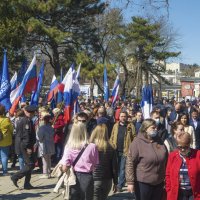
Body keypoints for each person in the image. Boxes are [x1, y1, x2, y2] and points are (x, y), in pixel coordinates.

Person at [126, 118, 168, 200]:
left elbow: (166, 158)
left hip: (159, 181)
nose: (156, 129)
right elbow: (130, 163)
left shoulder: (159, 141)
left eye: (156, 127)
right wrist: (130, 182)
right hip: (143, 182)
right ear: (145, 129)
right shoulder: (137, 143)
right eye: (153, 128)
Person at [59, 122, 99, 200]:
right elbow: (95, 164)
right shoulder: (92, 146)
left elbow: (64, 168)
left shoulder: (68, 147)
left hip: (73, 177)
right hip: (88, 177)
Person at [165, 132, 200, 200]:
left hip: (194, 193)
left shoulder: (198, 154)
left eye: (185, 147)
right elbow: (168, 174)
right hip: (177, 193)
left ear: (189, 144)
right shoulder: (172, 156)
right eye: (180, 147)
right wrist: (169, 189)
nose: (183, 149)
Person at [11, 105, 37, 189]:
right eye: (29, 112)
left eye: (32, 112)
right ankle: (15, 176)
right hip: (25, 145)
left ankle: (27, 184)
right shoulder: (26, 121)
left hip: (27, 145)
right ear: (25, 112)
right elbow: (26, 136)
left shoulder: (28, 120)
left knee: (30, 164)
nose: (30, 114)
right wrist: (28, 147)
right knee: (30, 164)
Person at [90, 124, 118, 200]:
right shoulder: (111, 146)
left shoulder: (90, 146)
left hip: (93, 179)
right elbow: (114, 167)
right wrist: (116, 183)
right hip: (107, 179)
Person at [110, 111, 136, 192]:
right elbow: (112, 136)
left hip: (126, 150)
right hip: (116, 150)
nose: (123, 118)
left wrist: (132, 148)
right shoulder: (115, 125)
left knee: (122, 169)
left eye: (124, 116)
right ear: (119, 117)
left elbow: (134, 137)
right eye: (122, 116)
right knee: (116, 168)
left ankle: (120, 186)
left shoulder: (130, 126)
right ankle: (116, 183)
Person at [37, 111, 55, 179]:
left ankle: (45, 173)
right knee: (49, 159)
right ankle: (49, 172)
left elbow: (40, 137)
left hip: (44, 145)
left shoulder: (42, 128)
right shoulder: (51, 127)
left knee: (44, 160)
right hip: (50, 144)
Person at [0, 105, 13, 175]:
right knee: (4, 156)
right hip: (5, 139)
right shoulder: (6, 119)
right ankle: (5, 172)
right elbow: (11, 129)